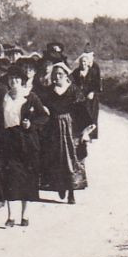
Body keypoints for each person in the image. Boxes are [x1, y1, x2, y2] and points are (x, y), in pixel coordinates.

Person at [0, 63, 49, 228]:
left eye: (17, 78)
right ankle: (11, 217)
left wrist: (31, 124)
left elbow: (44, 117)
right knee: (10, 178)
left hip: (28, 143)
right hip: (9, 141)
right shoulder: (4, 98)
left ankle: (25, 215)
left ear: (23, 81)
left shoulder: (31, 97)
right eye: (11, 78)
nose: (13, 81)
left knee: (28, 179)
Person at [40, 61, 95, 203]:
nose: (57, 77)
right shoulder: (48, 91)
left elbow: (82, 111)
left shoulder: (73, 90)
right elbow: (42, 107)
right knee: (55, 158)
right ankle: (59, 185)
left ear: (66, 76)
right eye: (55, 74)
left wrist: (85, 131)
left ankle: (71, 191)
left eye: (60, 74)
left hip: (71, 129)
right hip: (52, 129)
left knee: (71, 158)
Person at [72, 49, 103, 140]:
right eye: (82, 62)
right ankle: (81, 133)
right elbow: (72, 83)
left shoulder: (92, 72)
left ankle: (91, 135)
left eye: (85, 62)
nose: (83, 64)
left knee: (92, 114)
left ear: (88, 62)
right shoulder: (76, 72)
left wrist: (92, 92)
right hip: (80, 97)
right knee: (81, 114)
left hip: (91, 98)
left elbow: (97, 85)